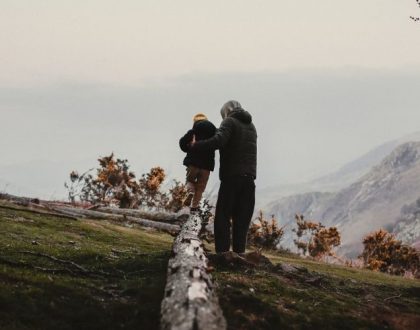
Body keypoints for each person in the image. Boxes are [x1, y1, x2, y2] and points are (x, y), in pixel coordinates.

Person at [189, 100, 257, 253]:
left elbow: (218, 141)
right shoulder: (251, 126)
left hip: (232, 176)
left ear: (226, 112)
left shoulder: (229, 121)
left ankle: (222, 254)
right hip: (249, 178)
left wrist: (196, 145)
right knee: (242, 220)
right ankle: (239, 254)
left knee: (222, 217)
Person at [179, 113, 216, 212]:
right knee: (200, 188)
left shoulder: (193, 131)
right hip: (207, 166)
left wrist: (188, 148)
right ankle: (194, 208)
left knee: (190, 180)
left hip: (193, 162)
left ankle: (190, 191)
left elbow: (182, 142)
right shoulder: (214, 132)